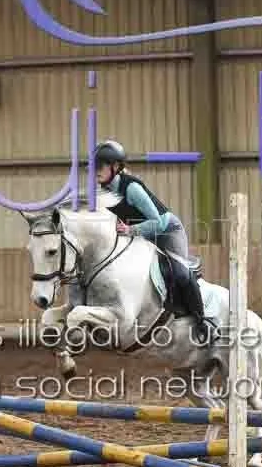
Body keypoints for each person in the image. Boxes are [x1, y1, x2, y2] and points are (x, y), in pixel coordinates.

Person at [91, 139, 215, 344]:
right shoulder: (103, 192)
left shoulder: (132, 189)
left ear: (115, 167)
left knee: (181, 273)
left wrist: (131, 230)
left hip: (167, 231)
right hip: (140, 235)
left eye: (100, 166)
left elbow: (158, 222)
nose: (96, 171)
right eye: (94, 166)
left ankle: (202, 322)